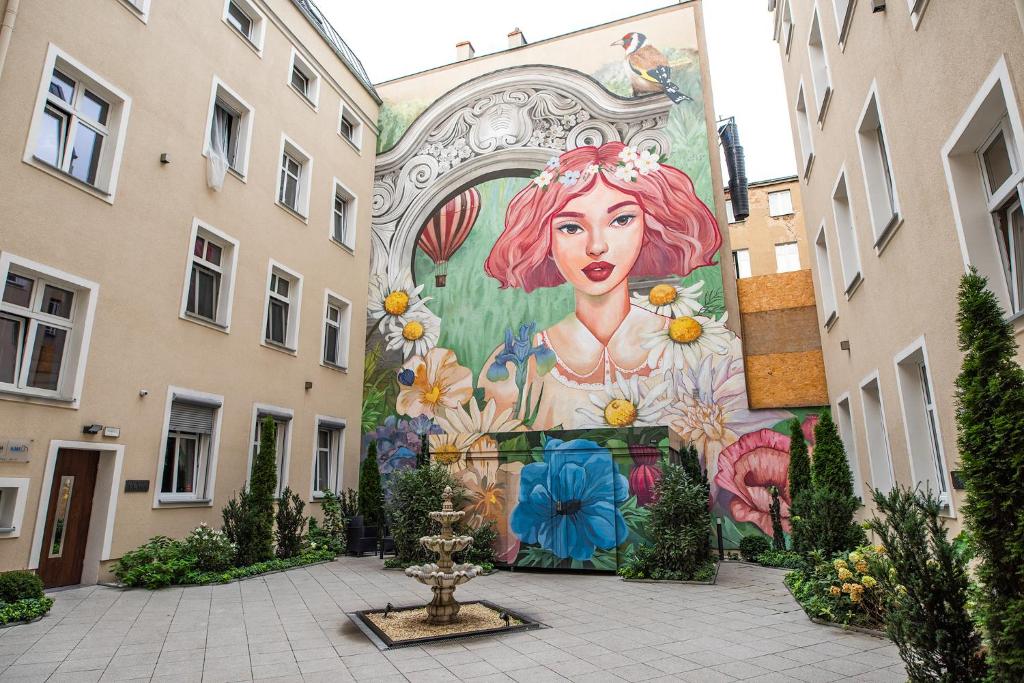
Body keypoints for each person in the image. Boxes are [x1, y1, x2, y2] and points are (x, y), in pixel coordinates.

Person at [479, 141, 721, 429]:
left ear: (649, 227)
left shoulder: (702, 349)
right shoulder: (516, 366)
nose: (596, 246)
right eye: (571, 227)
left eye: (621, 220)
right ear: (545, 242)